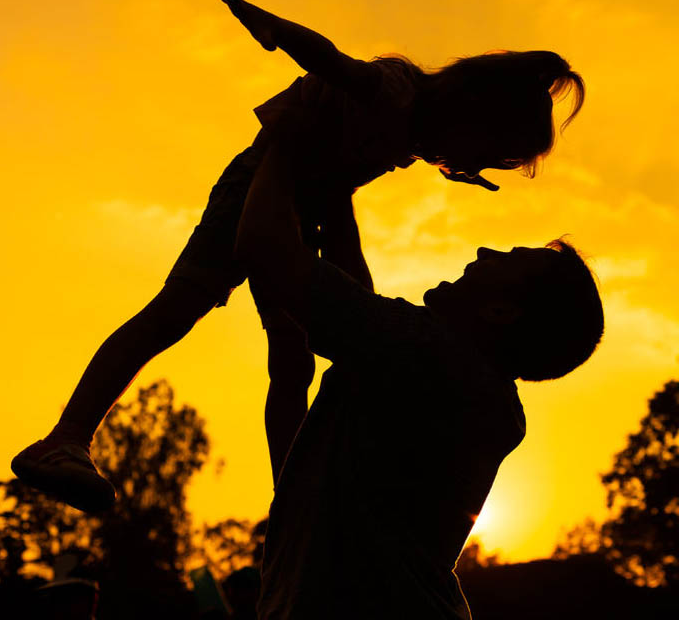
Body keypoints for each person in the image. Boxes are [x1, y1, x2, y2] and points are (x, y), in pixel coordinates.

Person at [11, 0, 585, 512]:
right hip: (254, 193)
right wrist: (261, 20)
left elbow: (338, 212)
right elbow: (330, 60)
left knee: (293, 358)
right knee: (174, 311)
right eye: (487, 154)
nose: (473, 165)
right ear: (474, 112)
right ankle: (67, 437)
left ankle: (290, 497)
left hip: (297, 211)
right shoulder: (395, 91)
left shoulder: (407, 134)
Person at [234, 132, 604, 619]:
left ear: (498, 310)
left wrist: (285, 137)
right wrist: (337, 195)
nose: (484, 251)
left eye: (505, 260)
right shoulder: (465, 383)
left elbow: (264, 246)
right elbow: (357, 310)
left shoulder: (431, 356)